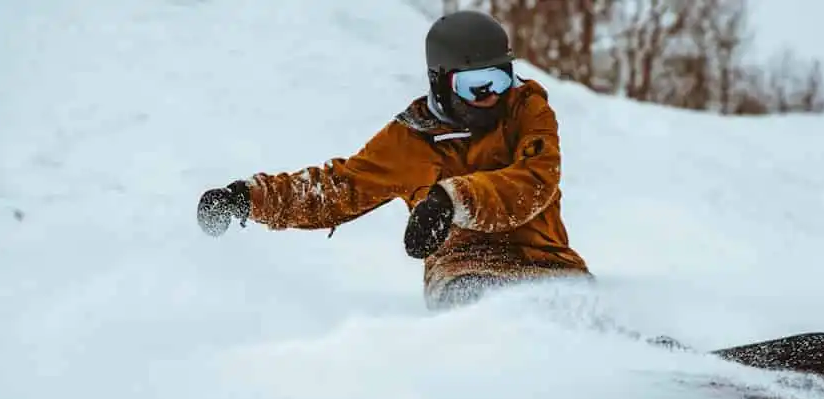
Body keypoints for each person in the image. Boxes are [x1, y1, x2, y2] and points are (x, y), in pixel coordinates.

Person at [196, 10, 592, 310]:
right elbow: (340, 188)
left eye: (500, 78)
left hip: (548, 261)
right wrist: (249, 198)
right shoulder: (410, 141)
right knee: (488, 311)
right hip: (465, 270)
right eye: (474, 85)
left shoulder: (528, 112)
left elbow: (534, 182)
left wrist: (449, 201)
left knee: (570, 305)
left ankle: (614, 353)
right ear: (440, 81)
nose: (491, 95)